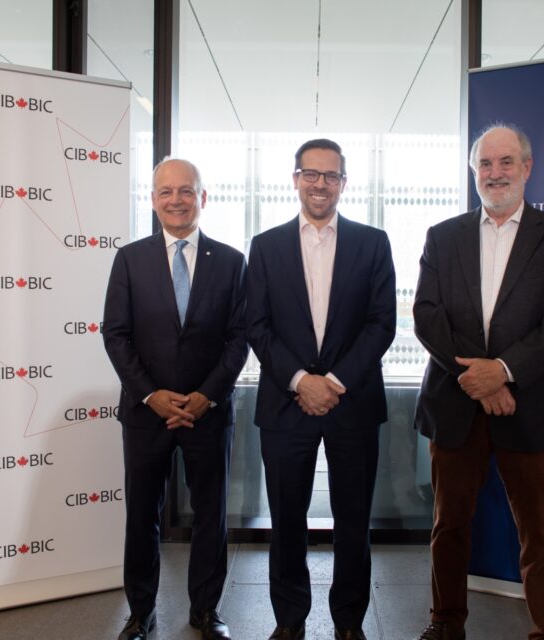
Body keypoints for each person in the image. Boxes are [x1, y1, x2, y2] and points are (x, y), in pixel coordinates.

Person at [412, 125, 544, 640]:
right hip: (456, 402)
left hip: (530, 405)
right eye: (485, 165)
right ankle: (445, 623)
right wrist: (481, 379)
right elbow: (427, 316)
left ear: (527, 168)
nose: (495, 173)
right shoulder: (442, 236)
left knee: (540, 532)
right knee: (449, 526)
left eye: (505, 162)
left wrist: (505, 371)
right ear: (474, 172)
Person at [246, 138, 397, 640]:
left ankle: (349, 621)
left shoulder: (373, 242)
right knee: (287, 519)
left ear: (344, 184)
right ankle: (289, 620)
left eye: (331, 176)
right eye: (311, 174)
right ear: (295, 179)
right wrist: (300, 381)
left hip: (351, 402)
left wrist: (331, 383)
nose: (320, 184)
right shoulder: (265, 246)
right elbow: (258, 325)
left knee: (353, 520)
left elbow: (382, 324)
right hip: (285, 405)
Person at [103, 158, 247, 640]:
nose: (177, 200)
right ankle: (141, 613)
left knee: (210, 515)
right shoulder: (130, 259)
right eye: (166, 192)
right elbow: (116, 335)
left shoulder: (230, 262)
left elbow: (238, 337)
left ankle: (205, 611)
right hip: (147, 415)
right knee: (142, 515)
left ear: (203, 198)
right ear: (153, 200)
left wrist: (206, 396)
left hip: (208, 412)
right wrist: (150, 395)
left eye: (187, 191)